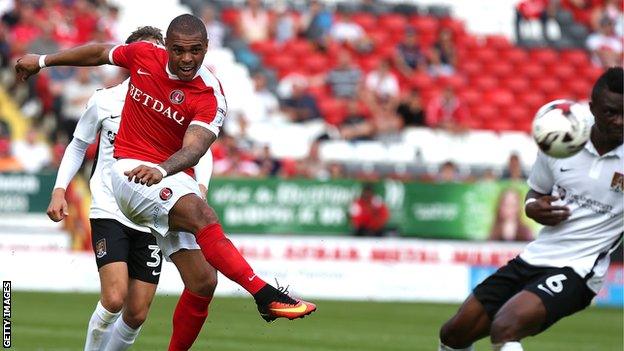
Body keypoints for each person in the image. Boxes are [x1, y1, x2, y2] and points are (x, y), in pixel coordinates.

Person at [17, 14, 316, 348]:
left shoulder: (210, 94)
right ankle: (265, 295)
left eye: (194, 51)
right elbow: (99, 53)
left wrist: (168, 171)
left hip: (168, 177)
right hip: (126, 176)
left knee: (201, 282)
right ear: (165, 50)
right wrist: (42, 61)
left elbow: (198, 148)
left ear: (207, 48)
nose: (186, 59)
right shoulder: (134, 67)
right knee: (118, 295)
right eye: (178, 51)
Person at [46, 26, 215, 351]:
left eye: (156, 51)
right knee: (114, 297)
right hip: (110, 207)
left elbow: (197, 150)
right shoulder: (104, 100)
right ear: (129, 59)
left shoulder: (173, 104)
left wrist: (201, 186)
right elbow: (78, 145)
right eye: (143, 52)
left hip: (153, 213)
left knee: (136, 313)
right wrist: (59, 189)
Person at [438, 67, 623, 351]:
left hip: (580, 268)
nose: (619, 121)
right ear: (592, 109)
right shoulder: (561, 139)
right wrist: (532, 207)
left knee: (506, 327)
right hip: (536, 255)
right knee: (454, 333)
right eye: (611, 112)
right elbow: (536, 190)